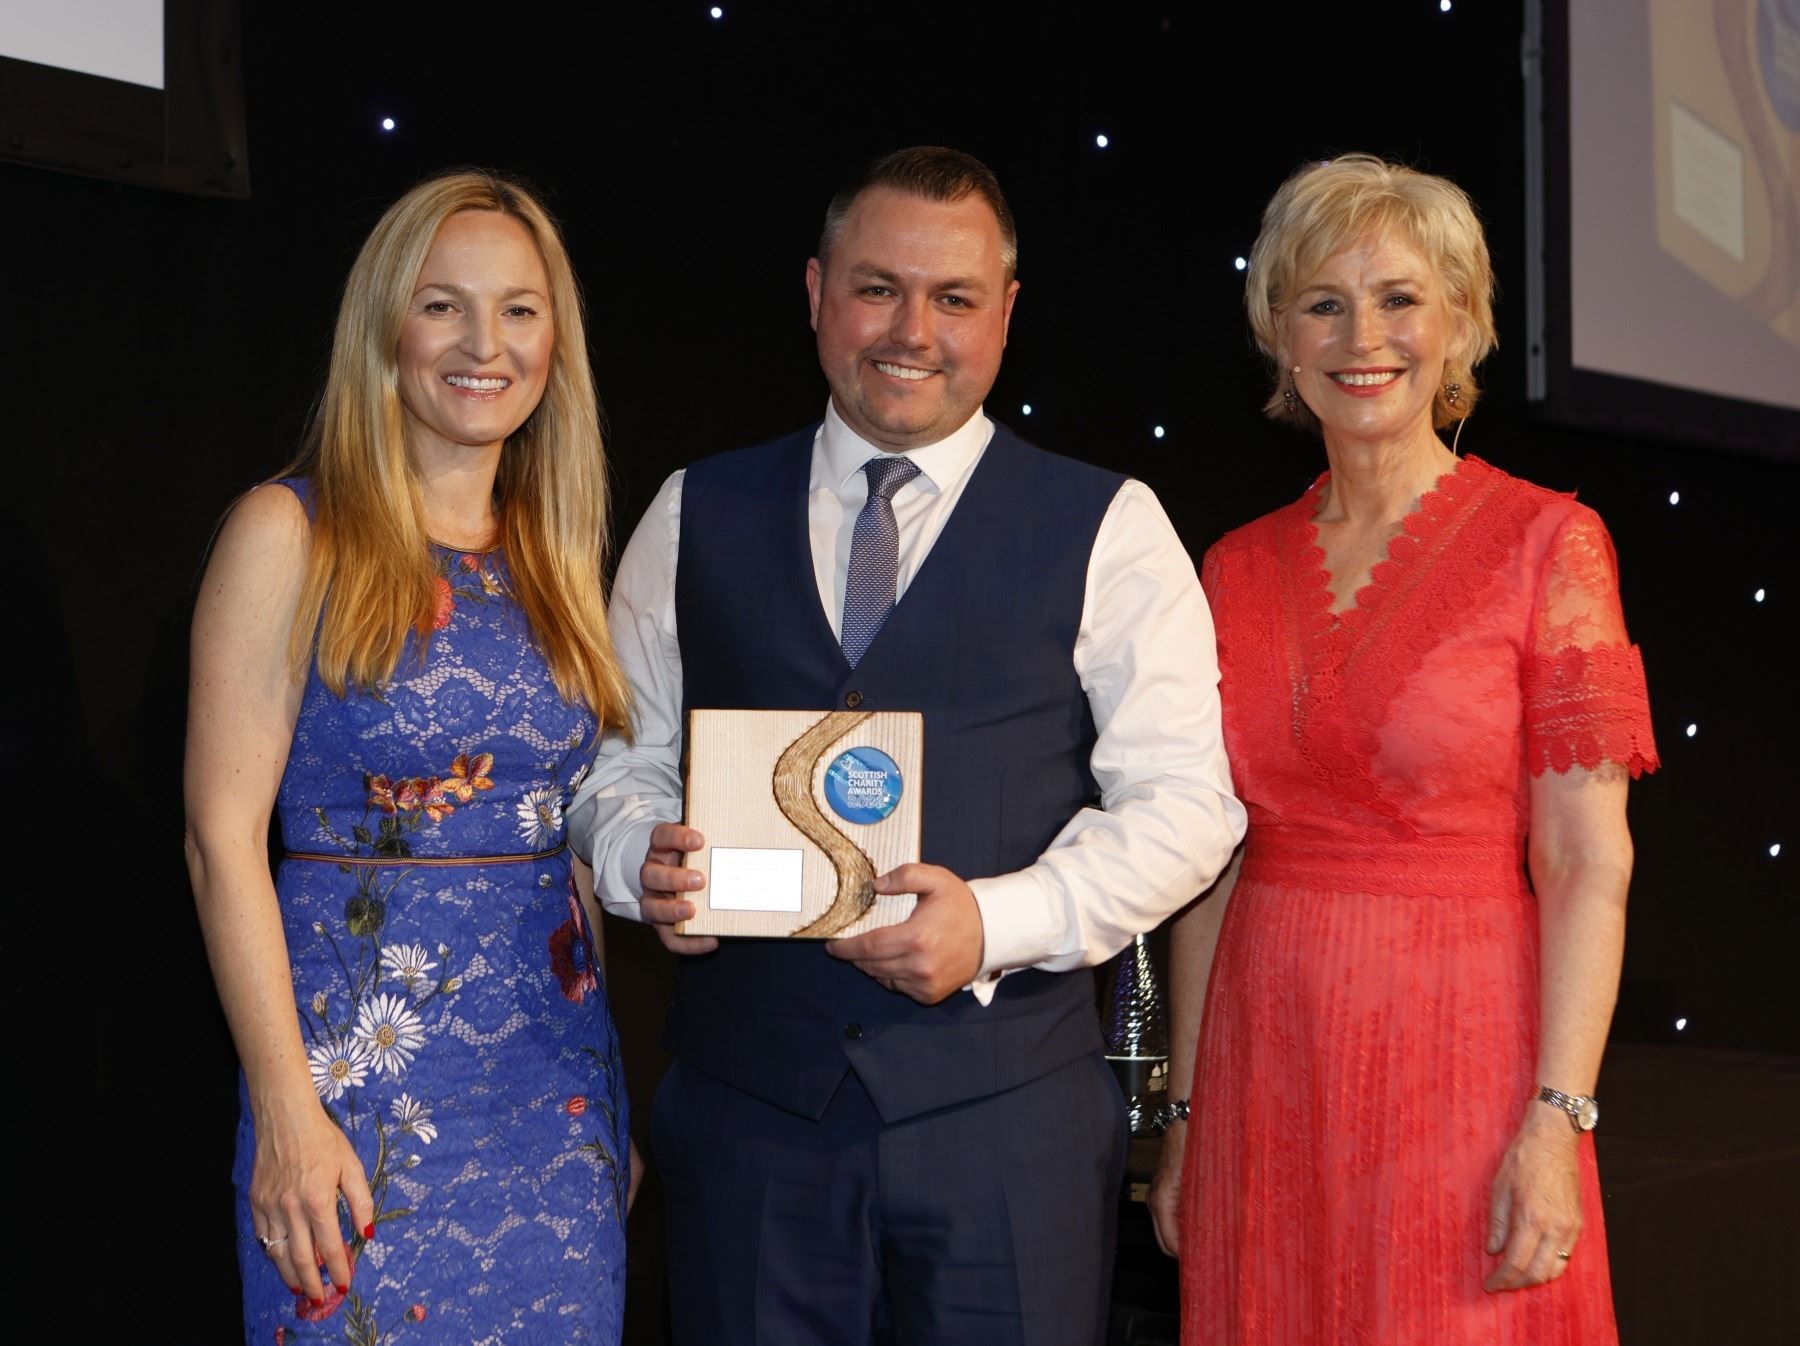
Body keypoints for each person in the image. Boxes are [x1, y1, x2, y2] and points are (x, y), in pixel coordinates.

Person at [568, 145, 1245, 1346]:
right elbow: (618, 760)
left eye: (954, 297)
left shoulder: (1114, 525)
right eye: (879, 287)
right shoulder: (693, 510)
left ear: (1007, 315)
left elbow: (1189, 806)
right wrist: (640, 860)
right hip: (750, 1122)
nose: (911, 330)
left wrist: (999, 918)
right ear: (818, 292)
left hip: (1009, 1131)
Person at [1145, 154, 1660, 1343]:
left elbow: (1588, 861)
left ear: (1462, 323)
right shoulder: (1232, 566)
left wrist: (1558, 1117)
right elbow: (1209, 866)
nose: (1359, 334)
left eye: (1399, 298)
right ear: (1278, 334)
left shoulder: (1552, 543)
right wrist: (1185, 1113)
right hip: (1266, 1078)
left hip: (1466, 1069)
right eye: (1321, 301)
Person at [185, 170, 637, 1343]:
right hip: (358, 1097)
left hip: (555, 1098)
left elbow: (562, 842)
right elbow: (218, 840)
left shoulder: (557, 553)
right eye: (444, 305)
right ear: (384, 326)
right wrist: (287, 1109)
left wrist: (613, 1107)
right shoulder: (289, 532)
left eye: (520, 310)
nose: (486, 343)